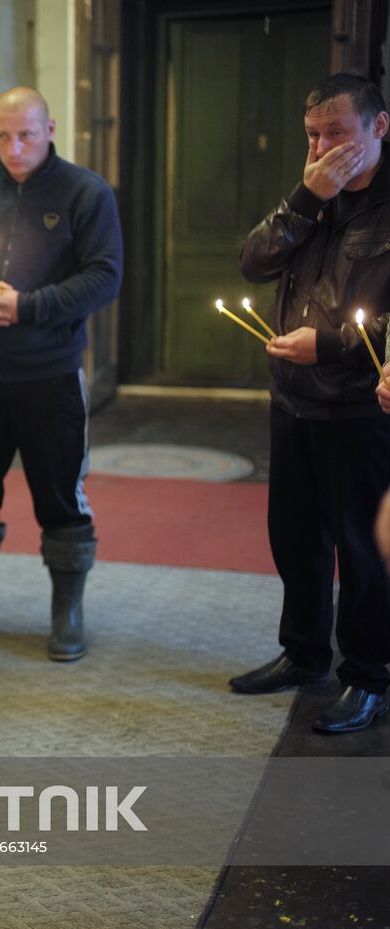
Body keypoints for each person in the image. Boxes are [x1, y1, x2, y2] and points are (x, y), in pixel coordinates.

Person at [0, 87, 121, 662]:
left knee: (60, 500)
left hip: (50, 375)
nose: (13, 147)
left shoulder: (86, 192)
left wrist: (28, 307)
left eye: (26, 134)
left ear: (50, 128)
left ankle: (68, 615)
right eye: (1, 135)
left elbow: (105, 276)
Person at [231, 73, 390, 735]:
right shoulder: (313, 194)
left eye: (338, 133)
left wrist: (329, 345)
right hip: (293, 402)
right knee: (294, 539)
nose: (323, 148)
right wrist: (307, 195)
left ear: (380, 127)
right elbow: (253, 262)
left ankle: (367, 674)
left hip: (359, 408)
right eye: (313, 136)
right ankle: (302, 654)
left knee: (362, 551)